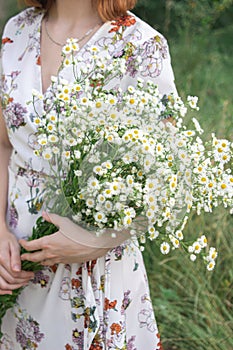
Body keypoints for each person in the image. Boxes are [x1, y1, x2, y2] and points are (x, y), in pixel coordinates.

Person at [0, 0, 177, 348]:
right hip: (15, 266)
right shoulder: (16, 31)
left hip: (95, 271)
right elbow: (4, 144)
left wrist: (92, 243)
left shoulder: (141, 46)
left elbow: (164, 176)